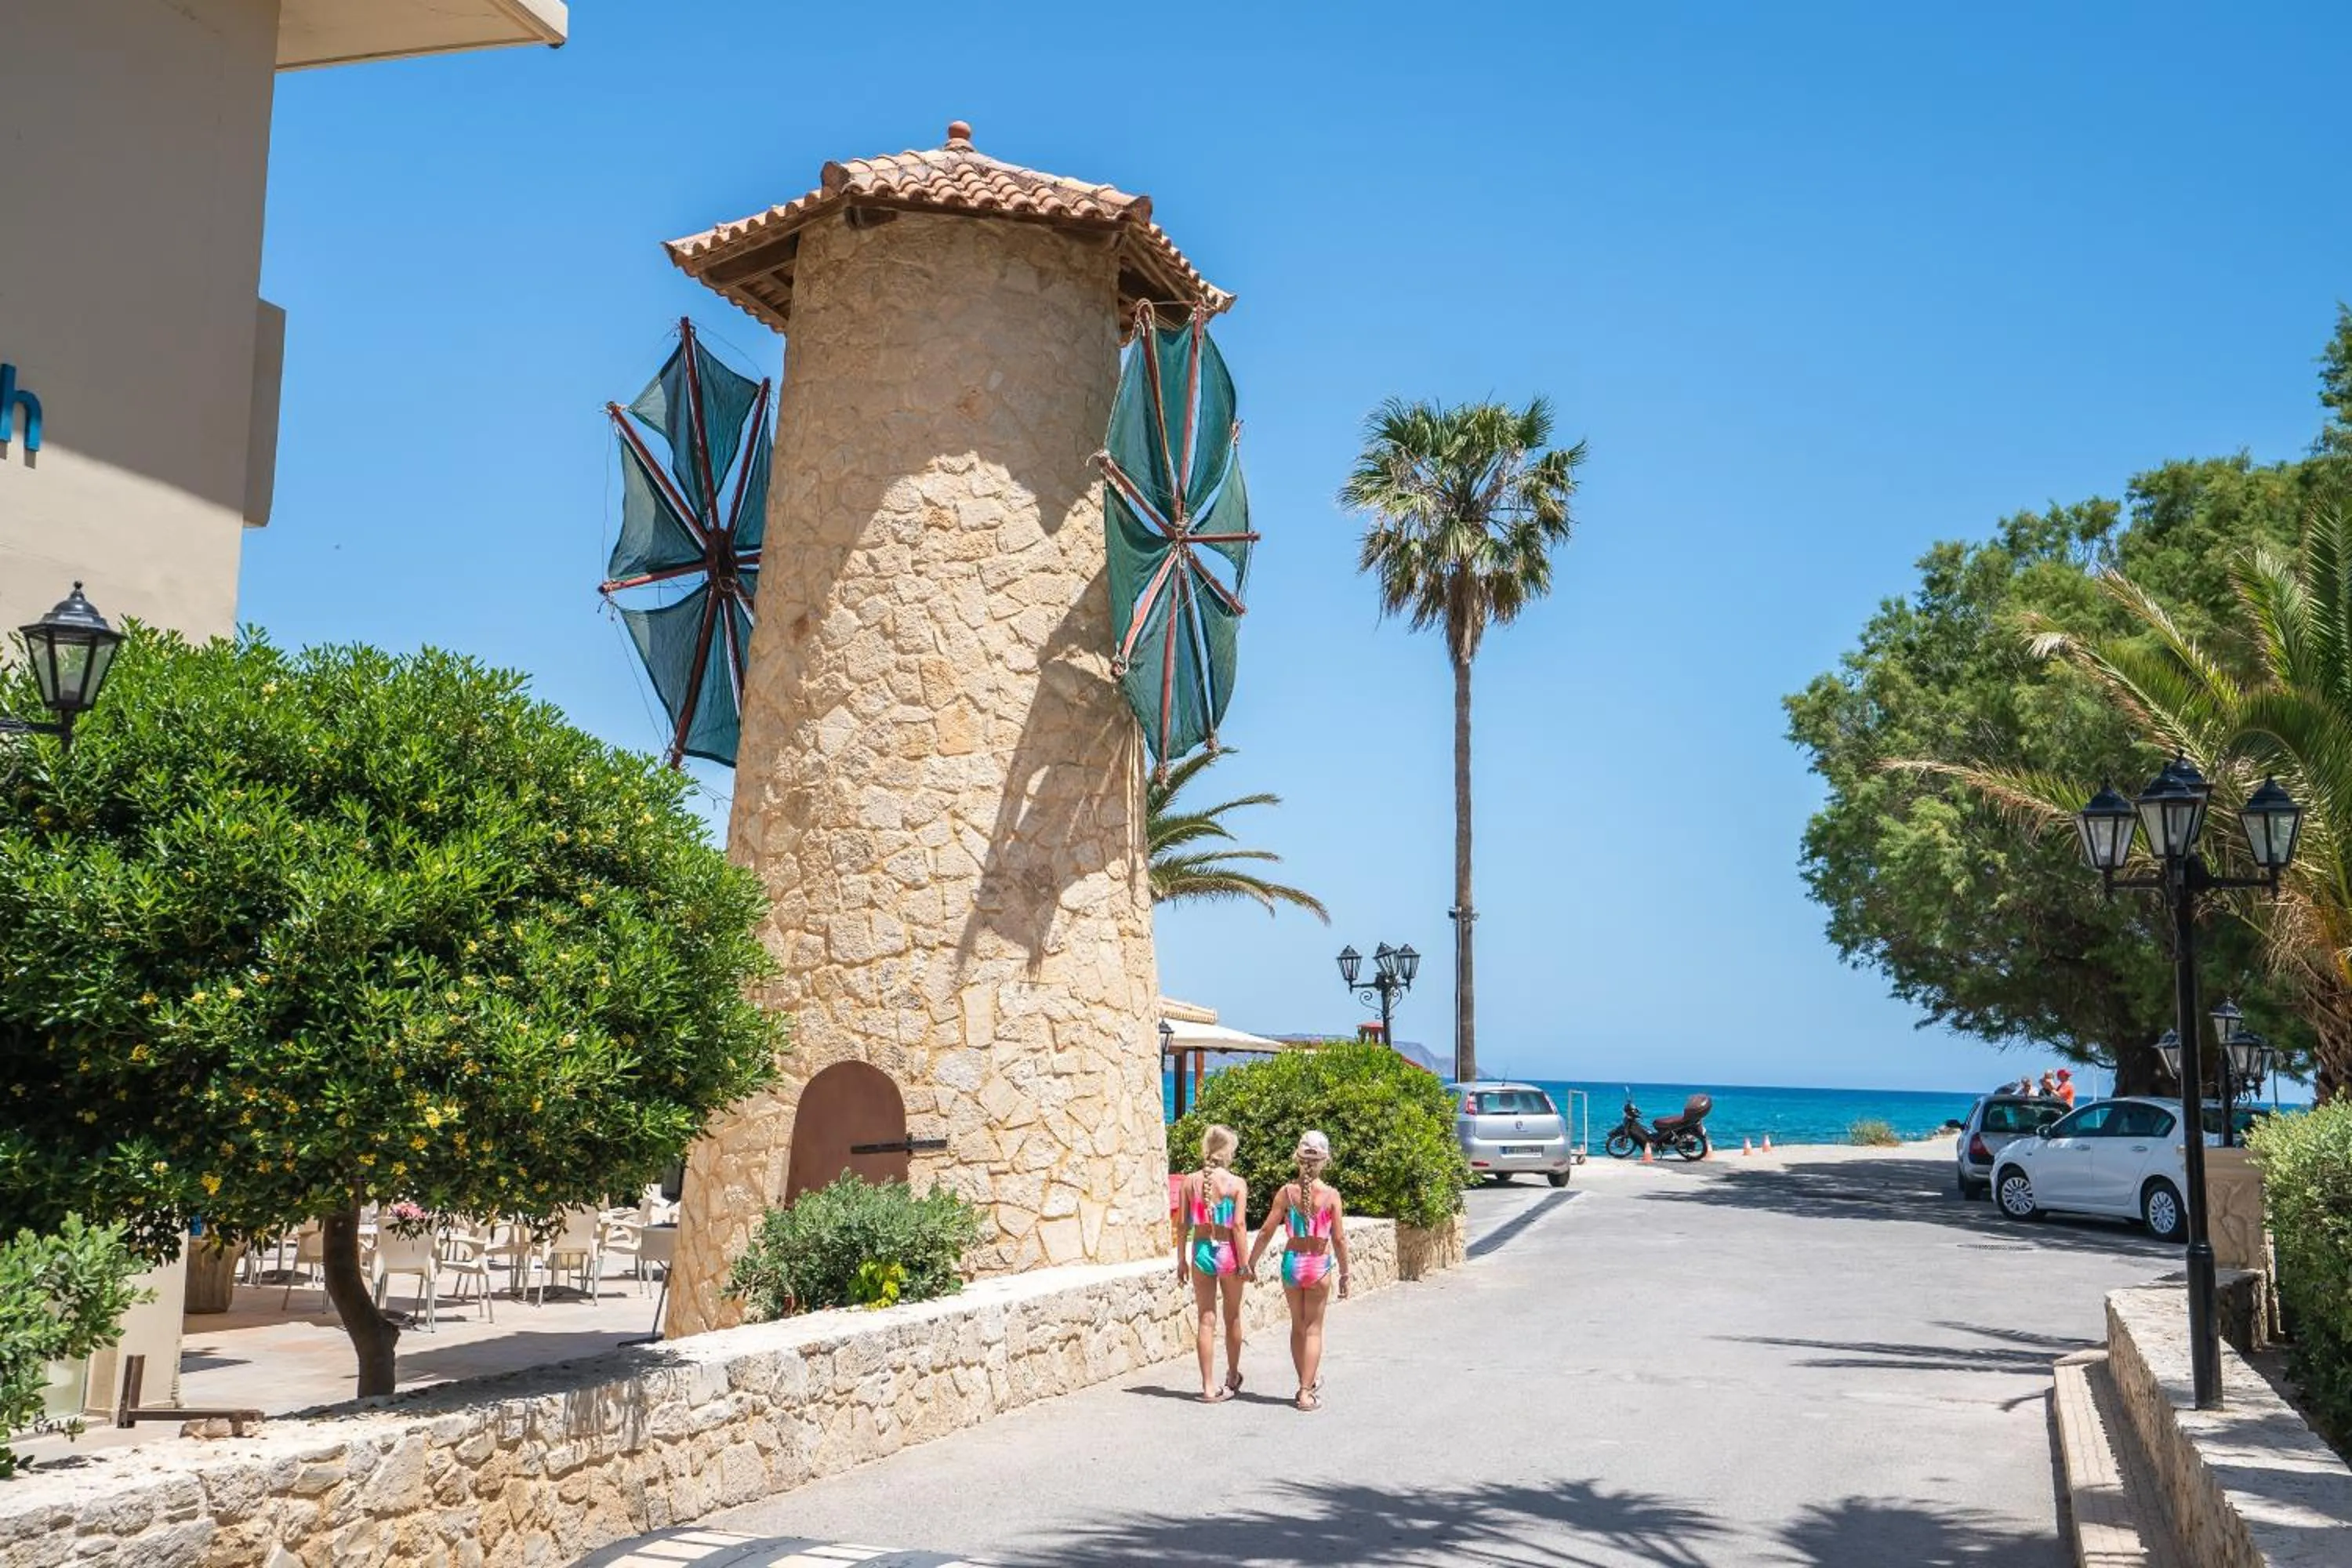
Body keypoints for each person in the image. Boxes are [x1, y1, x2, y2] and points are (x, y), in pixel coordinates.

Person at [1248, 1129, 1351, 1411]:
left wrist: (1251, 1261)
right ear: (1325, 1161)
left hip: (1292, 1263)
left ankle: (1305, 1381)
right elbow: (1339, 1239)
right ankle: (1306, 1391)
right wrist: (1345, 1273)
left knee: (1298, 1326)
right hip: (1318, 1264)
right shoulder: (1331, 1195)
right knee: (1314, 1329)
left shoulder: (1286, 1193)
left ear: (1297, 1158)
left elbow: (1267, 1230)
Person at [1176, 1123, 1248, 1403]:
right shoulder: (1236, 1184)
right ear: (1227, 1150)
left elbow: (1183, 1225)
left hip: (1202, 1251)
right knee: (1232, 1317)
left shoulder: (1189, 1182)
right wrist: (1244, 1263)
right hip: (1229, 1251)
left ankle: (1208, 1386)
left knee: (1206, 1318)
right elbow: (1239, 1225)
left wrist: (1180, 1259)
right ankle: (1231, 1375)